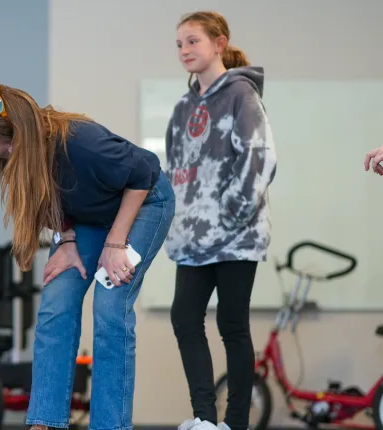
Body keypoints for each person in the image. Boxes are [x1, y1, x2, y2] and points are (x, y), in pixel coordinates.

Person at [0, 81, 175, 429]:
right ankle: (44, 421)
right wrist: (66, 241)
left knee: (110, 304)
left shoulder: (81, 143)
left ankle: (110, 425)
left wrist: (115, 244)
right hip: (91, 218)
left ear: (13, 138)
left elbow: (145, 171)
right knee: (56, 300)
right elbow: (53, 198)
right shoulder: (20, 156)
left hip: (144, 202)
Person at [164, 11, 277, 430]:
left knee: (232, 325)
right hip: (192, 242)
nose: (184, 51)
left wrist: (228, 215)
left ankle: (236, 423)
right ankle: (205, 420)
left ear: (218, 43)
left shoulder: (241, 94)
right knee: (185, 320)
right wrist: (177, 224)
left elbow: (260, 159)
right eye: (179, 44)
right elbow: (175, 172)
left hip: (235, 237)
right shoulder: (181, 108)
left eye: (192, 41)